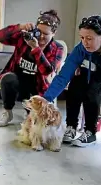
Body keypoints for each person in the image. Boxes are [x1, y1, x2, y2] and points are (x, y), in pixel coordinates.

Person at [0, 10, 64, 127]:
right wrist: (19, 27)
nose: (41, 37)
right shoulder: (24, 38)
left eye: (46, 34)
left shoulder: (57, 48)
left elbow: (47, 71)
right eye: (39, 32)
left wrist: (36, 49)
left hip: (38, 85)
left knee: (34, 122)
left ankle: (29, 114)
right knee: (7, 79)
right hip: (18, 78)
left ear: (54, 33)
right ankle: (7, 111)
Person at [43, 15, 101, 147]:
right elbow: (63, 76)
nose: (85, 42)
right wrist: (47, 98)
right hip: (88, 74)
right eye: (82, 38)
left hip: (97, 81)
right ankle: (71, 127)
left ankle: (90, 132)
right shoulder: (81, 49)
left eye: (89, 38)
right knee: (75, 84)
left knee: (92, 90)